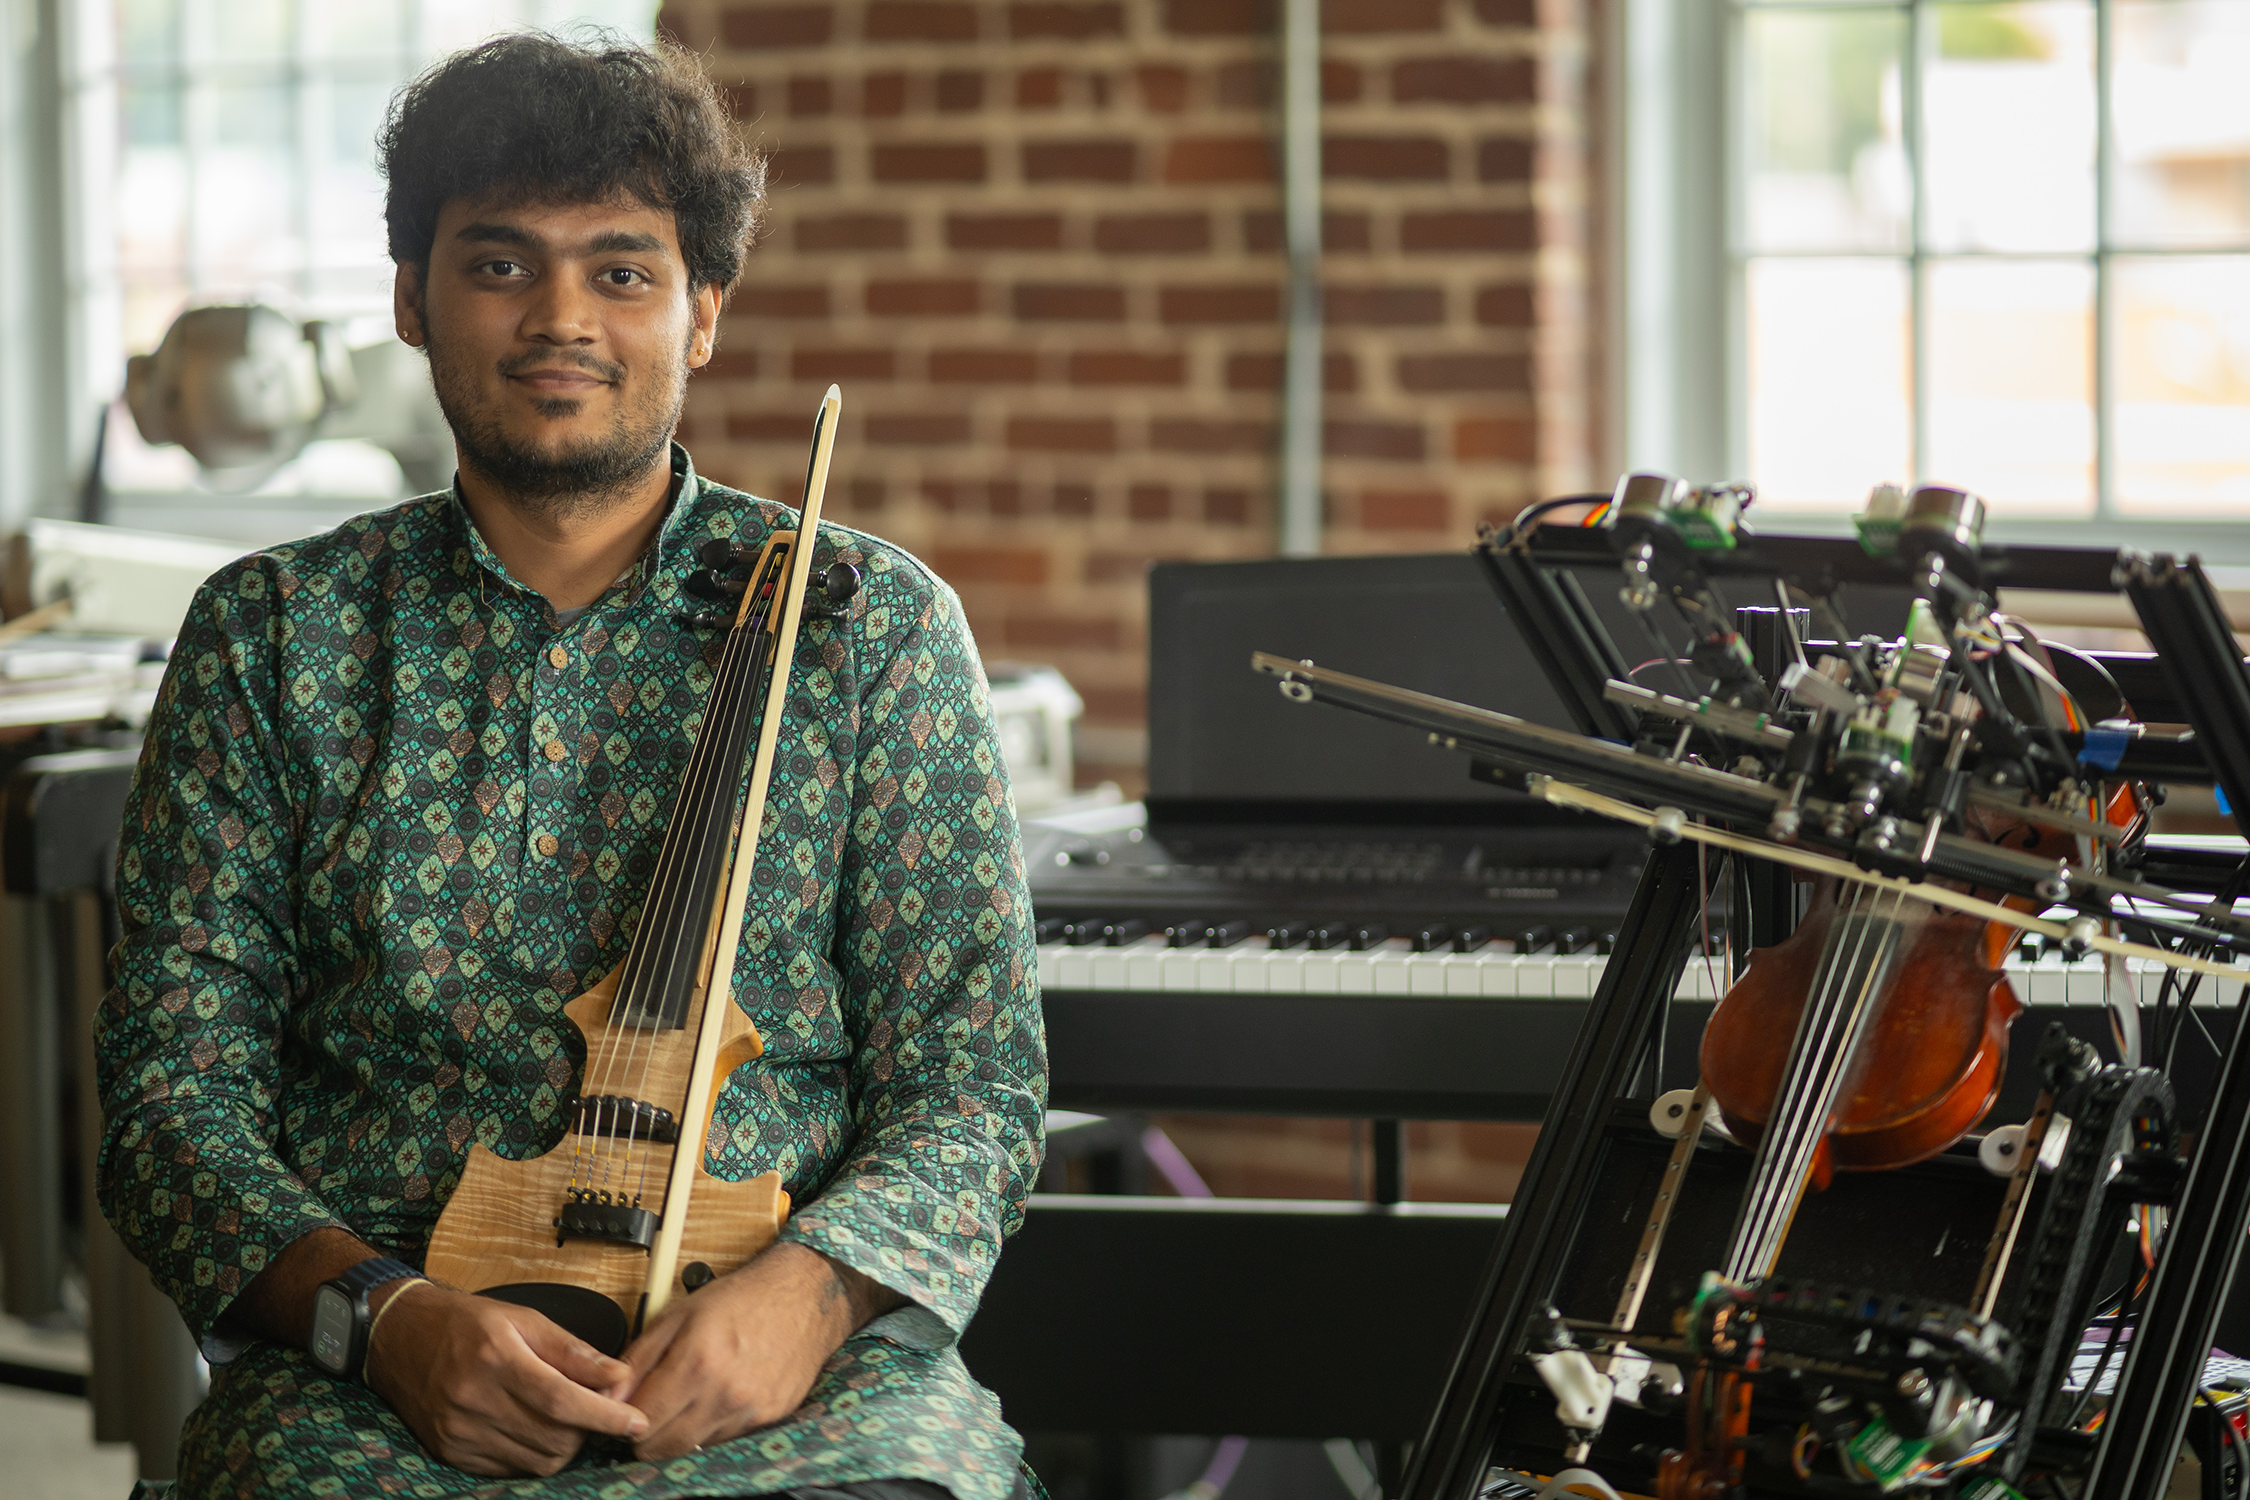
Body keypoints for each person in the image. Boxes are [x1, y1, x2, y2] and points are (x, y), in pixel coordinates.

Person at [94, 31, 1045, 1500]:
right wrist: (381, 1320)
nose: (559, 318)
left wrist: (810, 1297)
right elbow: (169, 1100)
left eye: (620, 270)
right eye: (497, 265)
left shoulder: (871, 626)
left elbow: (972, 1082)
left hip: (792, 1372)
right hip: (381, 1381)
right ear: (410, 302)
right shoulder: (269, 636)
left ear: (702, 313)